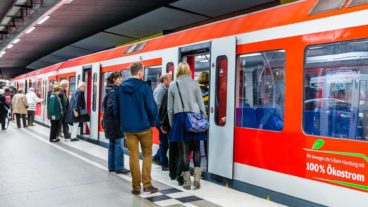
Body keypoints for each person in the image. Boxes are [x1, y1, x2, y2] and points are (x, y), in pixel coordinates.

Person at [115, 62, 159, 195]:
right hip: (144, 127)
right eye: (143, 72)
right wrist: (153, 122)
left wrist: (122, 123)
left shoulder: (121, 87)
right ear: (140, 73)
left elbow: (116, 109)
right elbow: (151, 107)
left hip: (128, 129)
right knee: (147, 154)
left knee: (133, 156)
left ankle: (135, 187)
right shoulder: (144, 87)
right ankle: (147, 184)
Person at [168, 62, 207, 190]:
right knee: (196, 149)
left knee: (183, 151)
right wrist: (204, 118)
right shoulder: (195, 83)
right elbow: (201, 104)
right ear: (188, 71)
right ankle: (197, 179)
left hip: (180, 119)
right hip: (194, 119)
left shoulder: (173, 85)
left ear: (178, 71)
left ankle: (186, 182)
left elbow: (170, 108)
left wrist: (172, 123)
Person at [102, 72, 130, 174]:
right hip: (114, 123)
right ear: (114, 79)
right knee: (118, 144)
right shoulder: (113, 92)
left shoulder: (111, 90)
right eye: (119, 78)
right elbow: (111, 108)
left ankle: (111, 166)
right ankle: (119, 167)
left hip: (110, 123)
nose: (121, 80)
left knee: (112, 144)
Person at [152, 73, 172, 171]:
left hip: (161, 120)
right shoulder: (160, 91)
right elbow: (159, 108)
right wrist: (161, 124)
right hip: (160, 120)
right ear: (164, 80)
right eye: (169, 79)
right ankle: (164, 164)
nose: (171, 81)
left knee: (164, 141)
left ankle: (156, 157)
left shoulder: (164, 89)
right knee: (164, 142)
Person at [198, 71, 209, 160]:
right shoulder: (208, 91)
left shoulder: (194, 88)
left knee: (194, 142)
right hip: (205, 119)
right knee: (206, 140)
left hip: (195, 119)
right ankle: (207, 157)